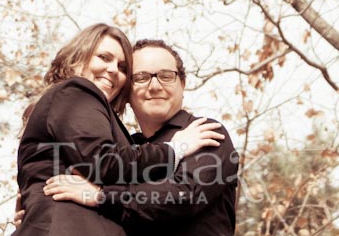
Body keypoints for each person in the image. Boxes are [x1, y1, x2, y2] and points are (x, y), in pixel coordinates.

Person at [11, 24, 223, 236]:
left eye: (122, 67)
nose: (113, 69)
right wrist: (176, 149)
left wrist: (100, 196)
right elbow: (104, 161)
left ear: (183, 83)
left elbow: (183, 197)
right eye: (104, 57)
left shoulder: (203, 132)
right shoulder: (76, 91)